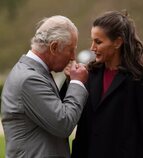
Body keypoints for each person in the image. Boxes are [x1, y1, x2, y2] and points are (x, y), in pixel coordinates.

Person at [71, 11, 143, 158]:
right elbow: (83, 127)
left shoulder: (139, 79)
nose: (92, 47)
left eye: (98, 42)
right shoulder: (90, 74)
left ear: (117, 42)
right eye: (92, 41)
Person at [1, 15, 88, 158]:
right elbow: (63, 124)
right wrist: (77, 83)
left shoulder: (33, 73)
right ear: (53, 47)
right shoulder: (29, 79)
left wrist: (69, 82)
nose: (73, 57)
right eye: (70, 49)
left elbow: (53, 113)